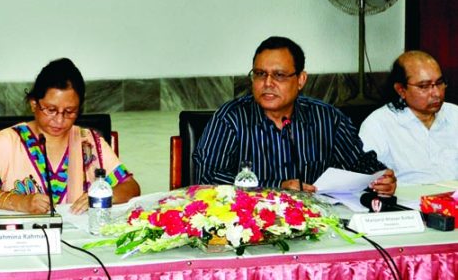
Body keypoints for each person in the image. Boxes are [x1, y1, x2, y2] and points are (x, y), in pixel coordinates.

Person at [193, 36, 396, 194]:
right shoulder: (231, 118)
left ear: (301, 79)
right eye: (260, 74)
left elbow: (358, 162)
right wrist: (275, 187)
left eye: (279, 75)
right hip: (249, 222)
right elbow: (206, 177)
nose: (268, 83)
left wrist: (379, 177)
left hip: (317, 221)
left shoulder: (327, 118)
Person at [0, 58, 140, 214]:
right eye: (51, 110)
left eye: (69, 111)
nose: (59, 120)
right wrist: (18, 202)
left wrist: (105, 196)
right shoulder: (9, 141)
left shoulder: (89, 142)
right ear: (33, 104)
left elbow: (131, 187)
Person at [360, 51, 458, 184]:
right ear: (401, 90)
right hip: (406, 201)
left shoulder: (454, 114)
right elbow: (364, 176)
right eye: (424, 86)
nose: (436, 93)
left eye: (440, 83)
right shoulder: (378, 124)